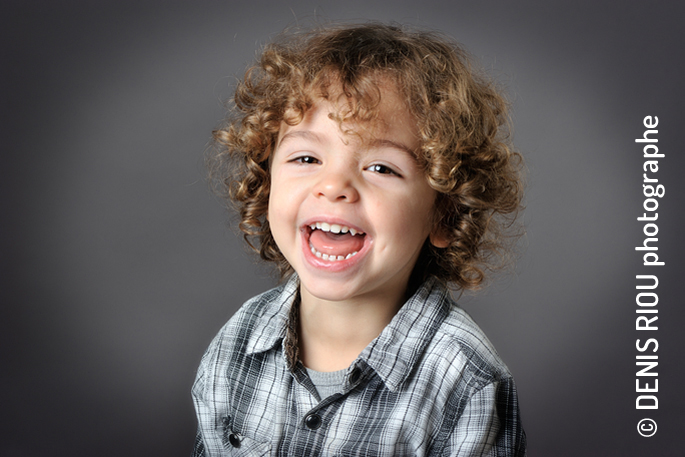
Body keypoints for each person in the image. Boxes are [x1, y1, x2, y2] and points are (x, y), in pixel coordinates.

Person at [192, 22, 526, 456]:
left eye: (382, 167)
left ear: (445, 215)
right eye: (306, 157)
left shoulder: (465, 381)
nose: (334, 186)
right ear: (266, 181)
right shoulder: (238, 340)